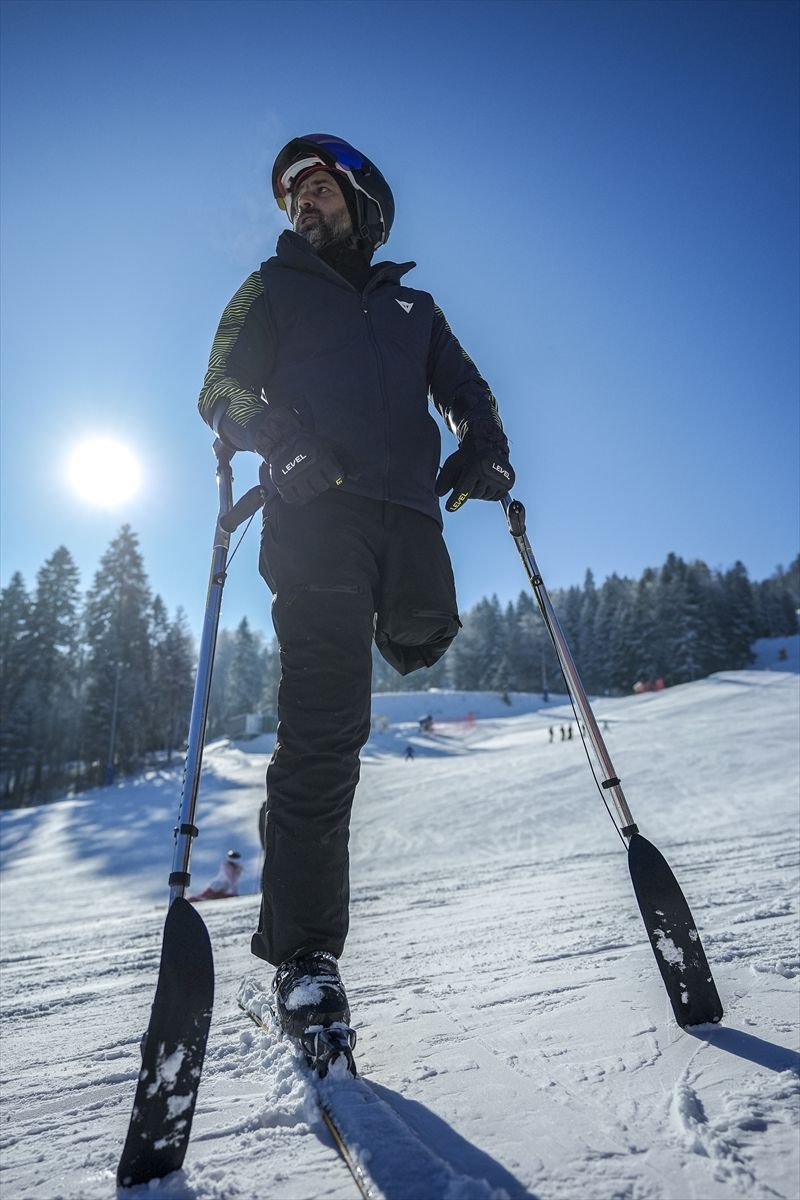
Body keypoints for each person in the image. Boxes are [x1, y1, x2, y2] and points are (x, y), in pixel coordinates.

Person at [198, 133, 514, 1041]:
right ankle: (305, 960)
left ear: (364, 203)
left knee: (423, 636)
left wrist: (486, 446)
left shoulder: (415, 306)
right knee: (327, 726)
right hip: (317, 514)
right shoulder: (271, 287)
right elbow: (220, 387)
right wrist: (280, 439)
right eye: (295, 195)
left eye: (322, 190)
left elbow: (467, 389)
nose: (305, 203)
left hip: (408, 518)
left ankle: (301, 935)